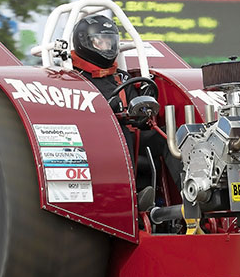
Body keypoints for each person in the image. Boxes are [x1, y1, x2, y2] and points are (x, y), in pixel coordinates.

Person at [71, 13, 179, 208]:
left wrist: (146, 101)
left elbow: (138, 117)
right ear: (84, 43)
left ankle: (190, 193)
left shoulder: (121, 77)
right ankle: (129, 198)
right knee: (121, 132)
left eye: (109, 41)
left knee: (170, 136)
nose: (107, 46)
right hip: (94, 140)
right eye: (100, 42)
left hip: (130, 135)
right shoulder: (73, 78)